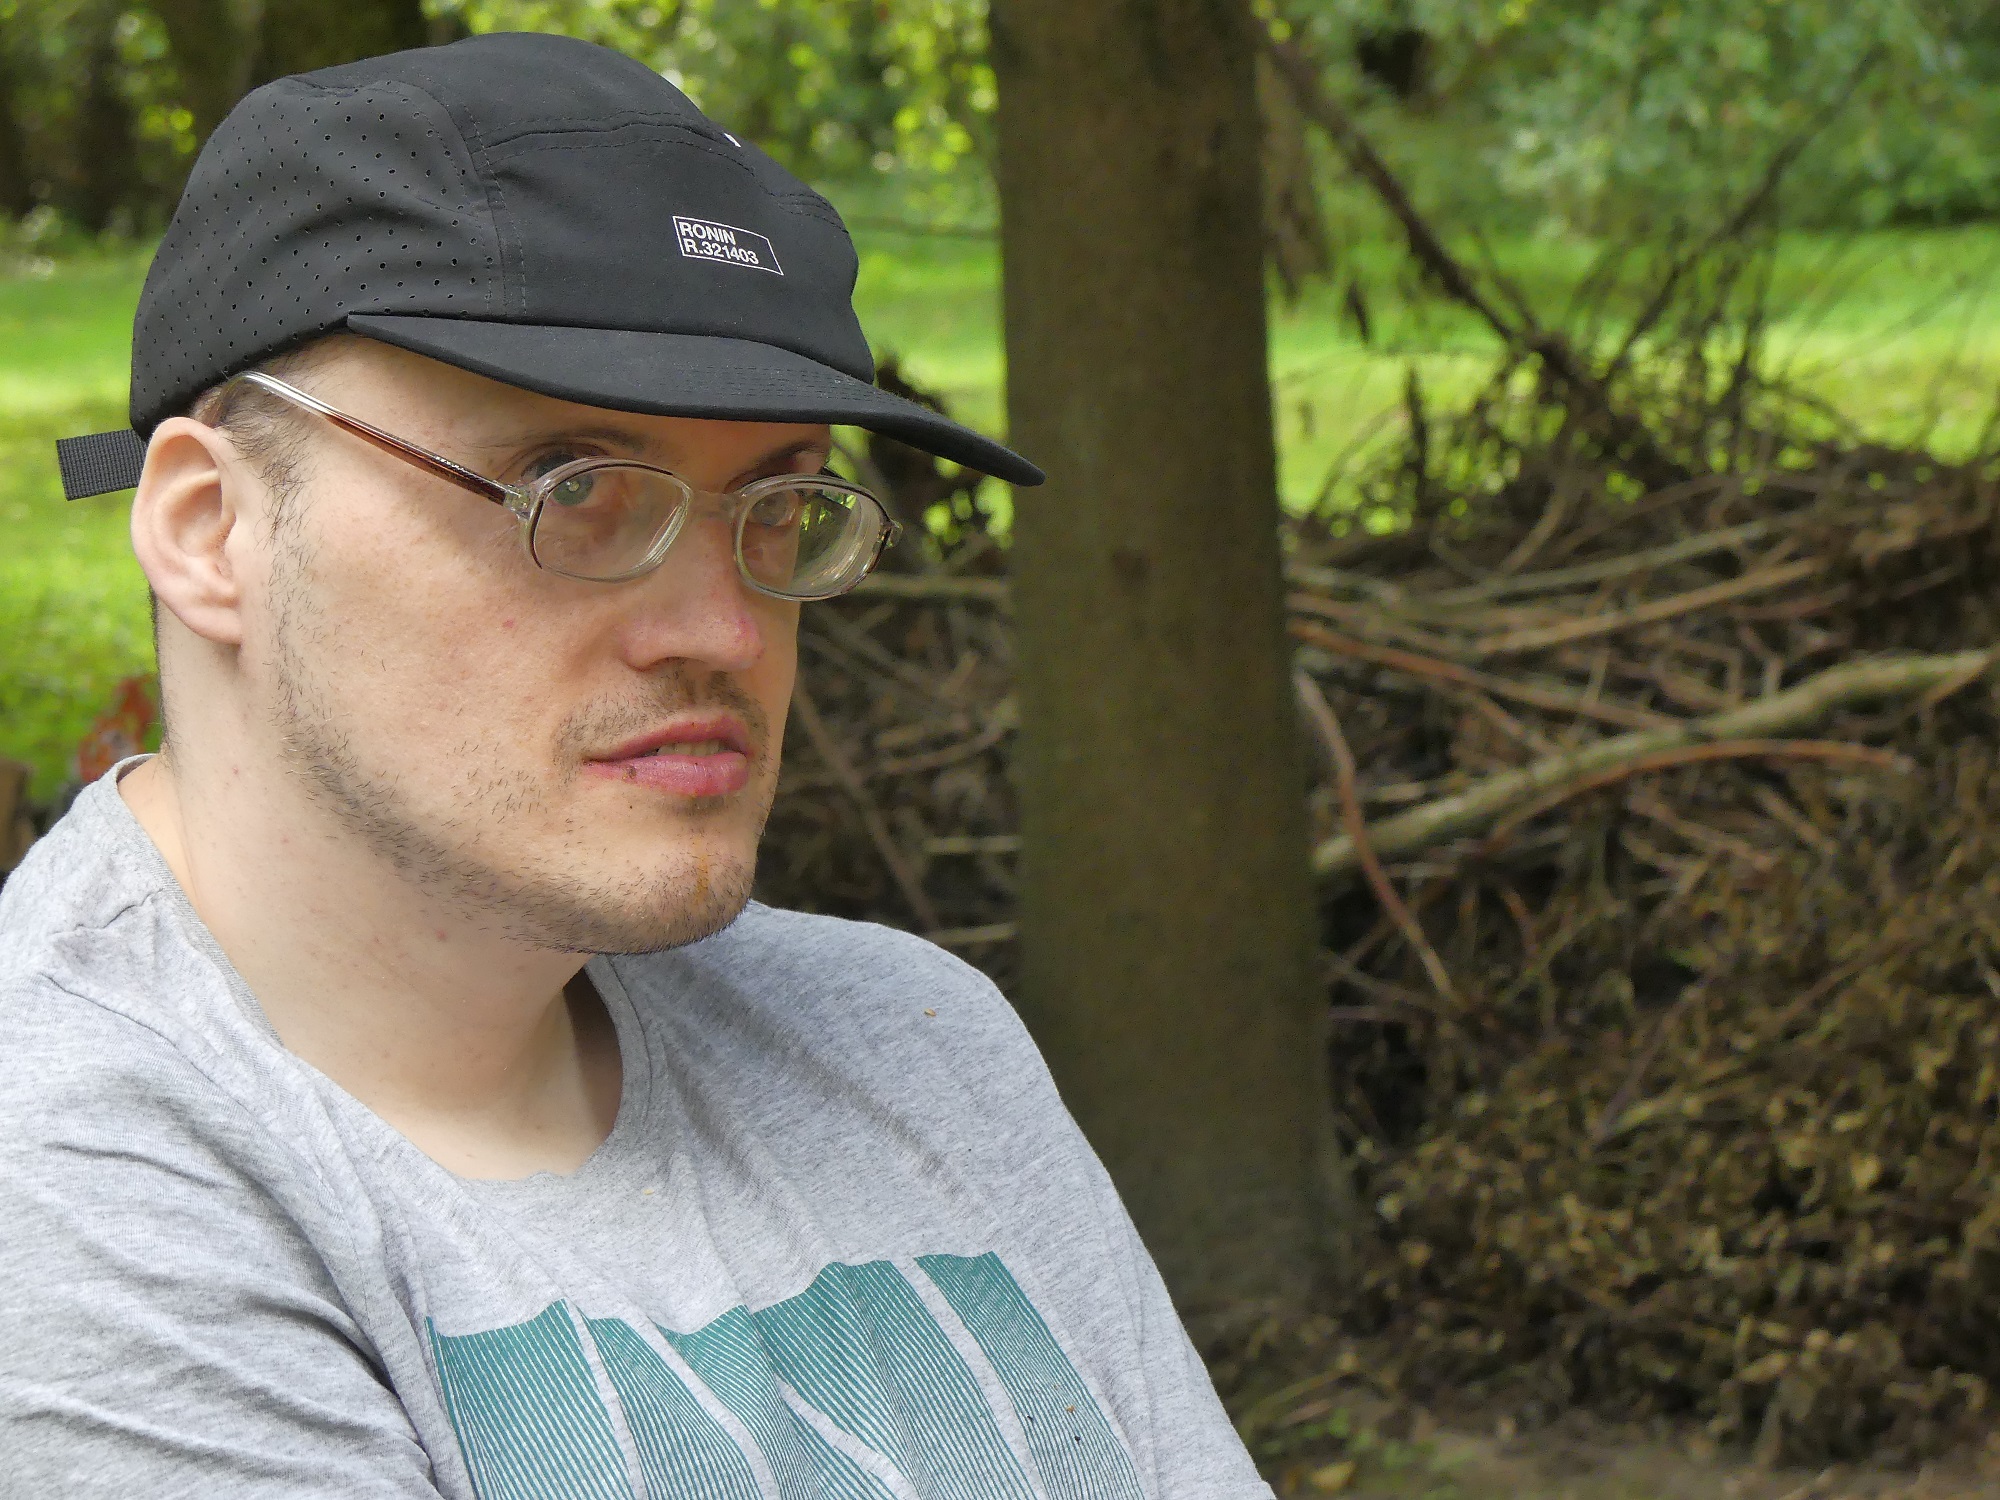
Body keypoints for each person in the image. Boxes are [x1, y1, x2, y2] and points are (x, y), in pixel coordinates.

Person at [0, 29, 1273, 1500]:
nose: (725, 630)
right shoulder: (71, 1178)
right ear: (211, 529)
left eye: (780, 505)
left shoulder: (908, 1046)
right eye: (576, 492)